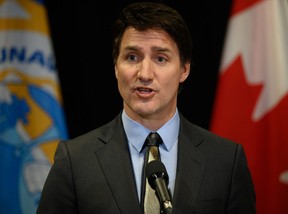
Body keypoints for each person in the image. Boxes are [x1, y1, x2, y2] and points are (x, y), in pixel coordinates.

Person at [37, 1, 256, 214]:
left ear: (184, 69)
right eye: (132, 57)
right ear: (115, 67)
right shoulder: (75, 161)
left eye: (160, 59)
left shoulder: (226, 161)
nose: (144, 74)